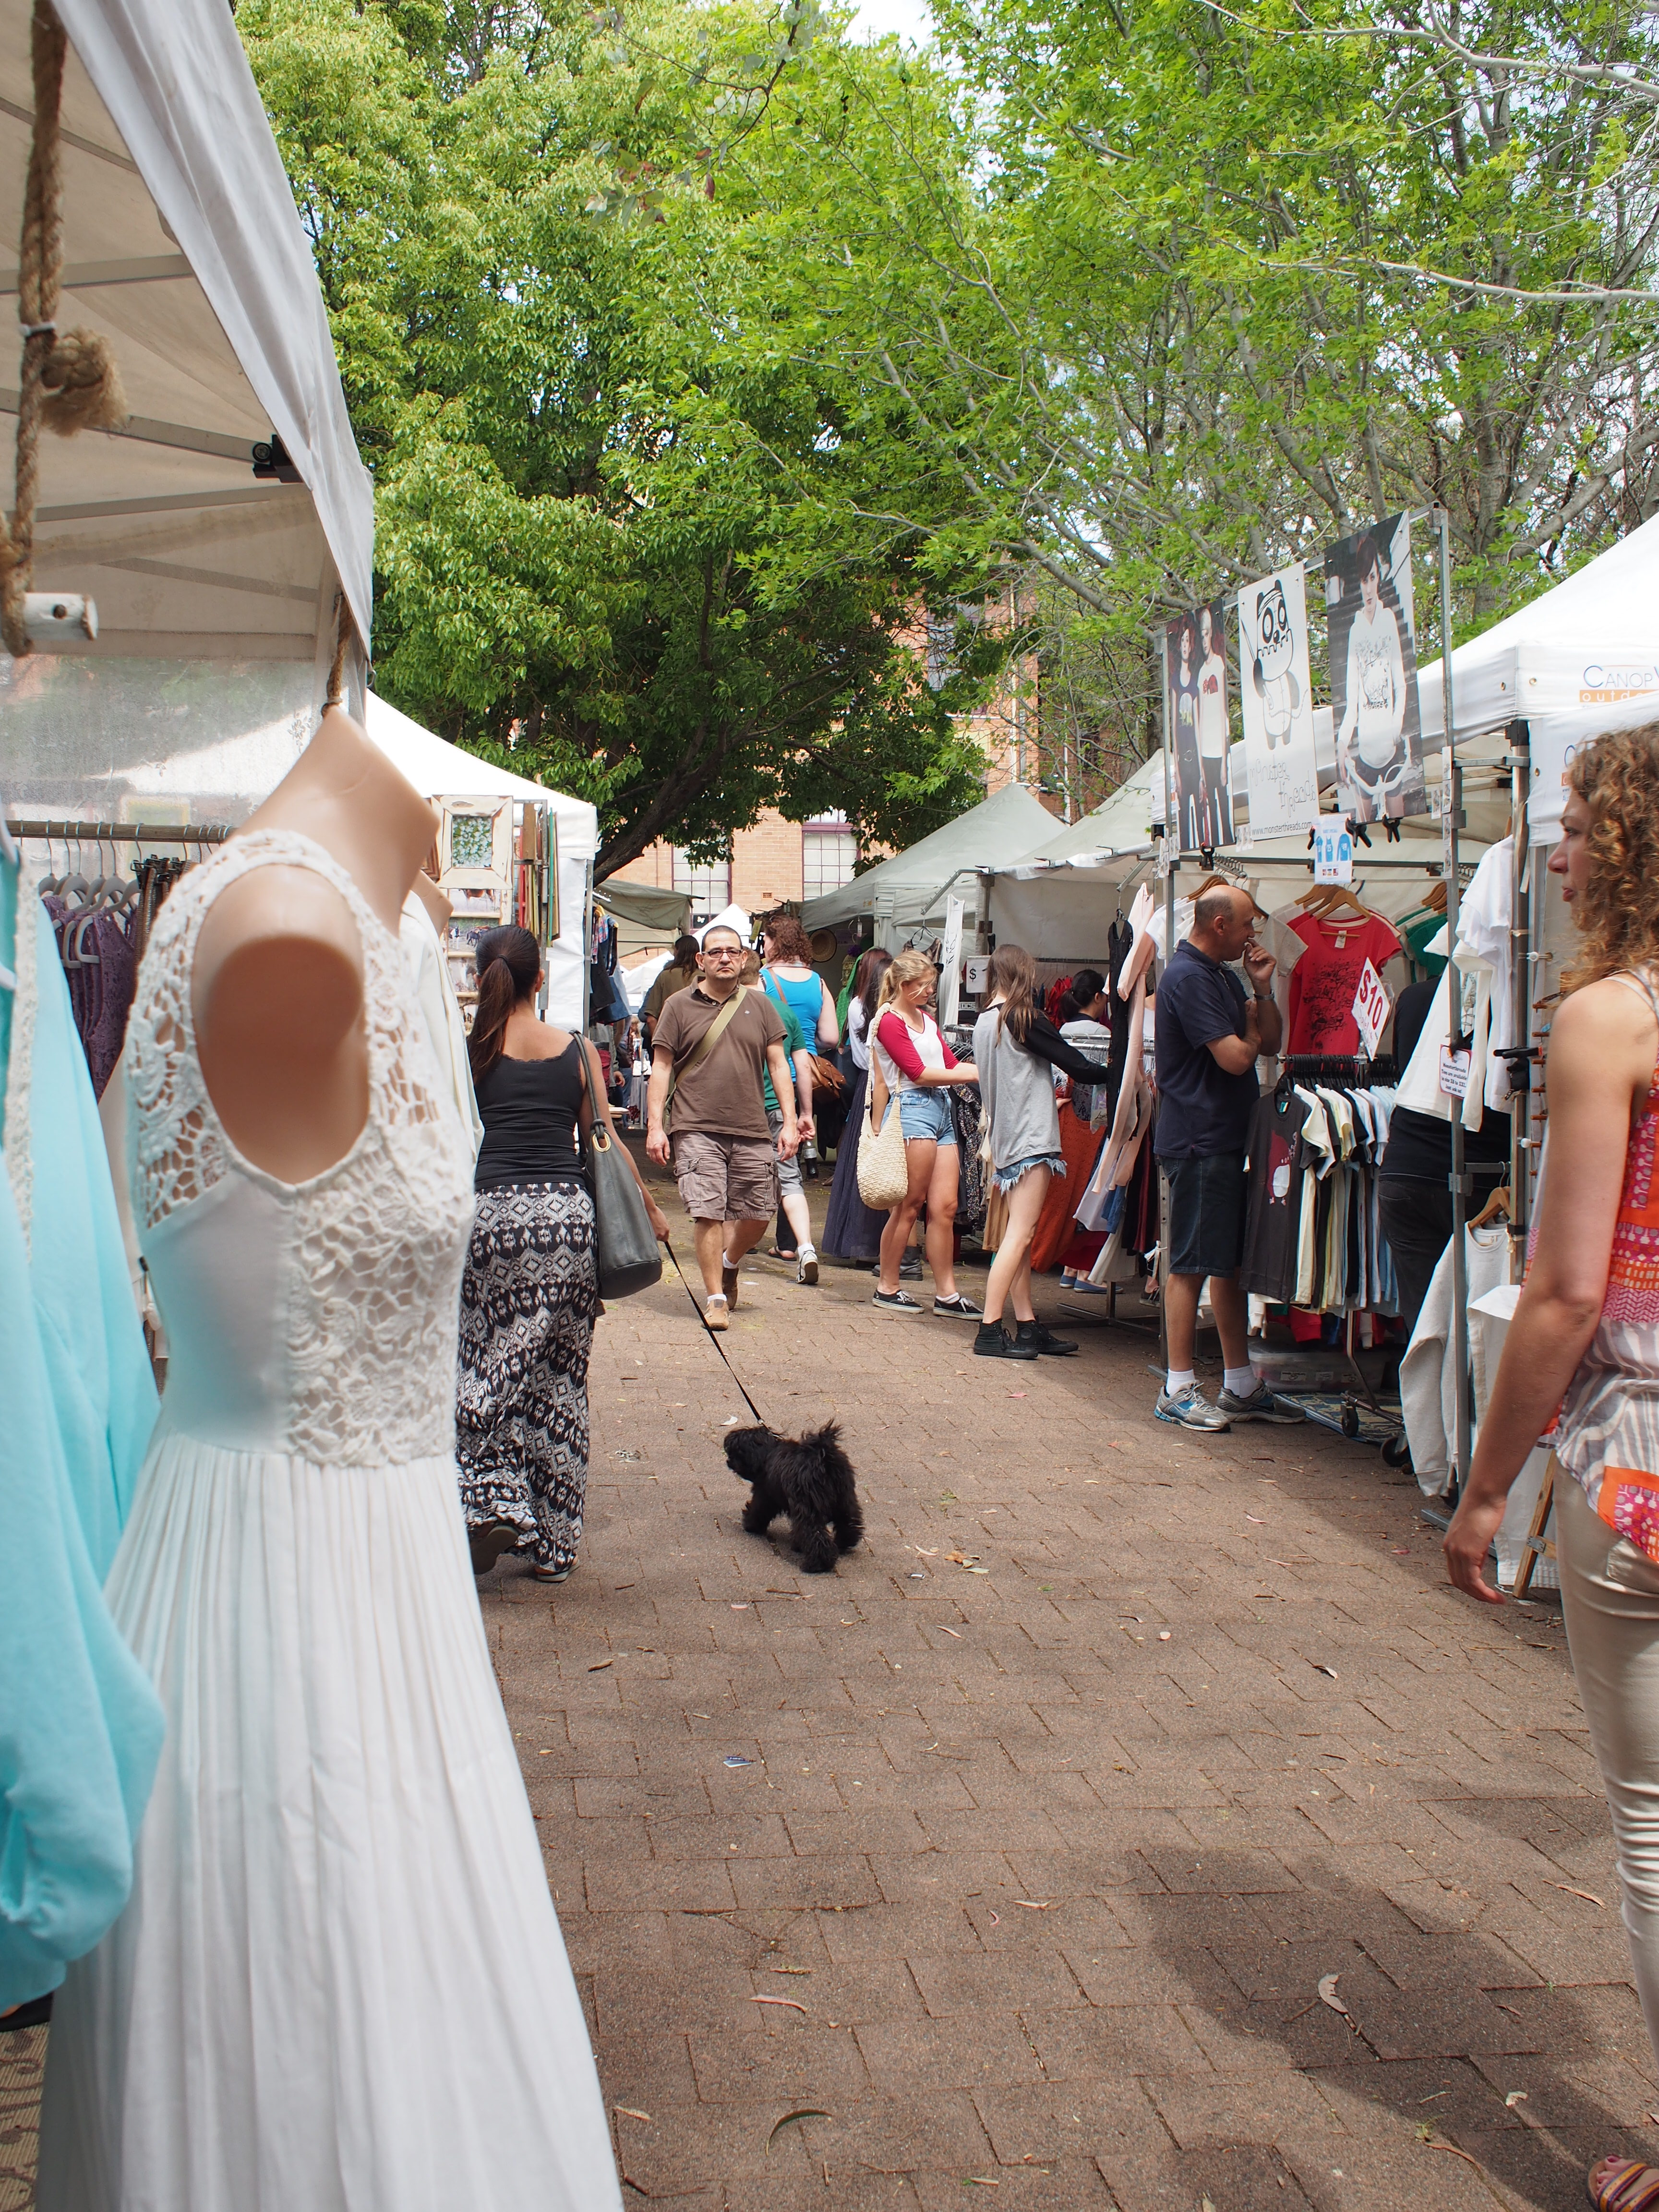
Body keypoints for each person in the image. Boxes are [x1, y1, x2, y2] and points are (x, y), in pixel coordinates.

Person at [1439, 730, 1659, 2212]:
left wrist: (1481, 1485)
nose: (1559, 850)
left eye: (1577, 822)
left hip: (1642, 1457)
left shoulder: (1609, 1019)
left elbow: (1569, 1294)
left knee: (1652, 1821)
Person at [458, 926, 669, 1584]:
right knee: (559, 1382)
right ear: (538, 980)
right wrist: (652, 1210)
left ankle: (489, 1501)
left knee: (486, 1365)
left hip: (489, 1220)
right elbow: (602, 1138)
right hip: (566, 1223)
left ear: (479, 979)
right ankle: (553, 1545)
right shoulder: (577, 1049)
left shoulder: (467, 1054)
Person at [1153, 886, 1304, 1428]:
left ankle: (1239, 1383)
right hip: (1200, 1138)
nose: (1252, 936)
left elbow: (1270, 1044)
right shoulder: (1190, 977)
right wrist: (1249, 1023)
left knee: (1226, 1264)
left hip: (1222, 1137)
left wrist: (1262, 992)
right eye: (1246, 926)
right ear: (1219, 925)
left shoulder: (1219, 972)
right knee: (1192, 1261)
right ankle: (1177, 1386)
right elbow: (1240, 1057)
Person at [646, 924, 797, 1331]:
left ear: (745, 958)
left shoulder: (762, 1006)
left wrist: (790, 1120)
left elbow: (779, 1064)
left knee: (759, 1212)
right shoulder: (678, 1006)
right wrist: (656, 1126)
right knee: (707, 1212)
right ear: (701, 960)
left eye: (732, 952)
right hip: (695, 1125)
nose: (725, 958)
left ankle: (730, 1263)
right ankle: (715, 1298)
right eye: (715, 953)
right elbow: (661, 1067)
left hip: (752, 1127)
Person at [971, 945, 1110, 1361]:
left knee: (1019, 1236)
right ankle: (990, 1329)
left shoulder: (984, 1021)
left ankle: (1027, 1325)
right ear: (1024, 974)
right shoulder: (1022, 1017)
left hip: (1008, 1138)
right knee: (1020, 1237)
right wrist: (1123, 1069)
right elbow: (1080, 1066)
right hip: (1031, 1138)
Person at [1377, 972, 1510, 1343]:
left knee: (1427, 1330)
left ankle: (1428, 1401)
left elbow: (1405, 1078)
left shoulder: (1415, 996)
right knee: (1483, 1326)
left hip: (1409, 1168)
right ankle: (1470, 1401)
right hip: (1482, 1173)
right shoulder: (1512, 1003)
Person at [866, 950, 981, 1316]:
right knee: (908, 1206)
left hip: (939, 1108)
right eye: (925, 985)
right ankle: (887, 1285)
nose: (931, 991)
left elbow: (947, 1063)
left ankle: (946, 1293)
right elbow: (917, 1073)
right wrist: (978, 1073)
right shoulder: (889, 1020)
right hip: (913, 1109)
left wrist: (982, 1066)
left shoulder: (926, 1020)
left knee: (945, 1207)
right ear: (904, 985)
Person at [740, 947, 819, 1284]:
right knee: (789, 1180)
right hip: (779, 1108)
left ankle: (732, 1252)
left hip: (740, 1109)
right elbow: (802, 1066)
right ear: (762, 976)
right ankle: (805, 1248)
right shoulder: (785, 1014)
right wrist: (805, 1113)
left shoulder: (729, 1010)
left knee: (737, 1180)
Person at [823, 947, 898, 1267]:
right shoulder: (863, 1009)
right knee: (871, 1165)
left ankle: (870, 1242)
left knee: (867, 1164)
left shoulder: (861, 1008)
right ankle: (867, 1242)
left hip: (871, 1084)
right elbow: (867, 1058)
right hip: (876, 1086)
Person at [1335, 533, 1409, 821]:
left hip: (1390, 753)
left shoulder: (1389, 619)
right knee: (1362, 832)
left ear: (1380, 577)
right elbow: (1352, 700)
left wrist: (1395, 727)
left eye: (1373, 578)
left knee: (1402, 822)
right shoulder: (1355, 631)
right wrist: (1343, 742)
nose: (1368, 587)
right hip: (1364, 757)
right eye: (1364, 580)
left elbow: (1400, 684)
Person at [1196, 604, 1233, 847]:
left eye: (1208, 633)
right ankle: (1213, 847)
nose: (1205, 639)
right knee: (1209, 807)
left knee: (1224, 805)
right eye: (1202, 634)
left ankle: (1228, 841)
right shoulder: (1201, 673)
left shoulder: (1219, 665)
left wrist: (1223, 762)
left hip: (1219, 752)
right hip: (1206, 754)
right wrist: (1201, 769)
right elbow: (1199, 723)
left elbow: (1223, 713)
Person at [642, 933, 700, 1049]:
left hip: (669, 1044)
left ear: (677, 952)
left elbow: (651, 1019)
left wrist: (658, 1048)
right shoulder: (706, 978)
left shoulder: (665, 976)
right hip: (699, 1044)